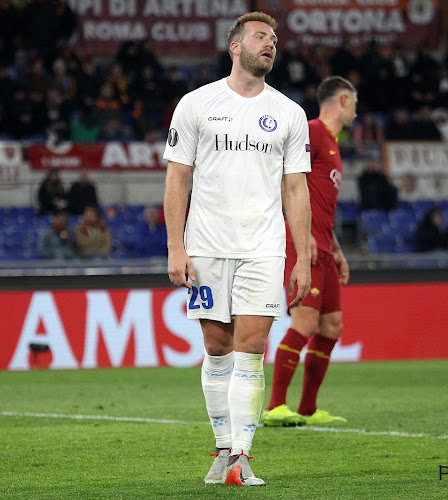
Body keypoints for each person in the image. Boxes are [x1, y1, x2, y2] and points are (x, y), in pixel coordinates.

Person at [162, 12, 311, 487]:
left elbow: (295, 189)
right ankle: (222, 446)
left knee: (251, 349)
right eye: (260, 36)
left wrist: (302, 256)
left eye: (274, 39)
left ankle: (240, 459)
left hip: (263, 249)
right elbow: (177, 178)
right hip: (205, 248)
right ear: (235, 46)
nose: (271, 44)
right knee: (216, 347)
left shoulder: (289, 113)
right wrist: (175, 247)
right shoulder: (196, 104)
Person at [262, 76, 356, 429]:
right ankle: (275, 406)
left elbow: (320, 200)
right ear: (343, 100)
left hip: (325, 245)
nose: (356, 114)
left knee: (332, 325)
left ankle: (308, 409)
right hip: (305, 244)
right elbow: (284, 181)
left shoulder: (332, 142)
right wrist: (301, 236)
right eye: (355, 105)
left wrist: (337, 248)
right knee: (305, 321)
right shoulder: (312, 130)